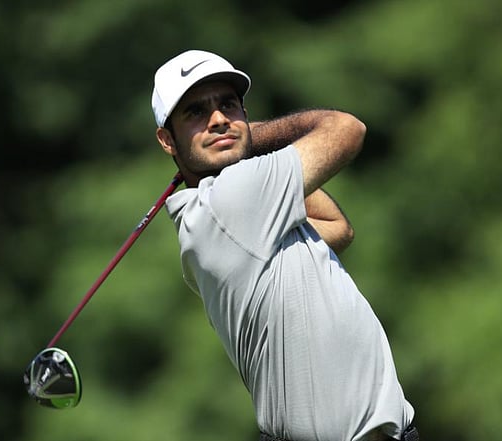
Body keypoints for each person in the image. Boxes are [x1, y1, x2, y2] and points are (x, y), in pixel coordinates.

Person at [151, 49, 418, 441]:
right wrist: (254, 134)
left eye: (228, 105)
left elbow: (336, 228)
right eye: (196, 112)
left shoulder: (245, 216)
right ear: (167, 140)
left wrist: (236, 142)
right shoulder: (230, 201)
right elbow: (346, 128)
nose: (219, 119)